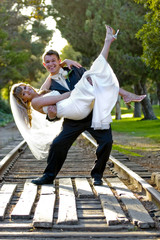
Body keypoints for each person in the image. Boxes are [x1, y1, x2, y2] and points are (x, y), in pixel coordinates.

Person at [10, 26, 146, 186]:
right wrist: (52, 116)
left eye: (54, 61)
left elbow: (95, 79)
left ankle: (97, 175)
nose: (51, 64)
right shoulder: (47, 87)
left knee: (107, 141)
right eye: (47, 62)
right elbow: (50, 110)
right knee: (58, 144)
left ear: (59, 61)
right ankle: (48, 176)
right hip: (73, 119)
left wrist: (68, 63)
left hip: (93, 113)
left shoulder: (74, 70)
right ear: (44, 65)